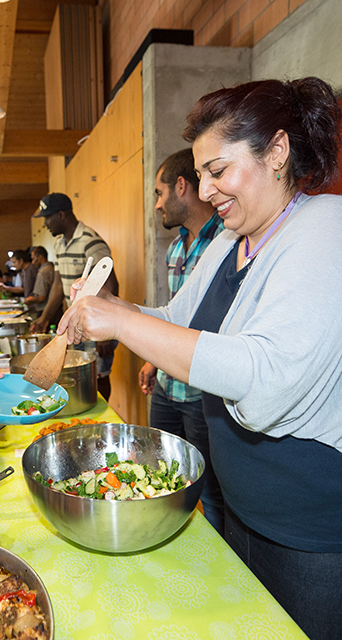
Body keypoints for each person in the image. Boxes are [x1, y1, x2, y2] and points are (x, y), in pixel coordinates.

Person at [59, 78, 342, 640]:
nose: (206, 191)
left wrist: (122, 322)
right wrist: (108, 305)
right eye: (202, 173)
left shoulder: (333, 227)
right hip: (249, 508)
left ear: (277, 152)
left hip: (327, 523)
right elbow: (176, 320)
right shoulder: (231, 243)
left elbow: (267, 380)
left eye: (218, 170)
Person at [138, 148, 224, 532]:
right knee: (161, 476)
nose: (158, 205)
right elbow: (176, 313)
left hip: (203, 394)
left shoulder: (226, 243)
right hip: (167, 389)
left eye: (160, 193)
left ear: (182, 186)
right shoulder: (175, 248)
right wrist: (154, 357)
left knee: (212, 492)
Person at [30, 193, 118, 400]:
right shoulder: (59, 244)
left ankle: (101, 419)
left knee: (99, 376)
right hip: (75, 325)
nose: (45, 224)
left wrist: (106, 330)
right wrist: (44, 318)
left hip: (97, 324)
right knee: (81, 376)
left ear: (61, 215)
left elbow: (112, 284)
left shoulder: (91, 242)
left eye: (48, 217)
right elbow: (59, 285)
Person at [23, 246, 55, 319]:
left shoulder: (43, 271)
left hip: (44, 311)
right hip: (54, 310)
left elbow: (41, 298)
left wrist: (29, 300)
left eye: (34, 259)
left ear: (40, 257)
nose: (33, 262)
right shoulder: (52, 267)